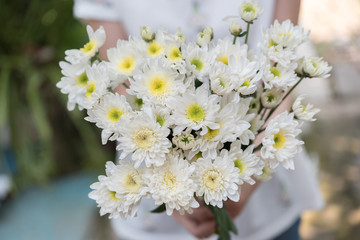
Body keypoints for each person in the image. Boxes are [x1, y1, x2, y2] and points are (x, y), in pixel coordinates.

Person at [73, 0, 324, 239]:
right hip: (155, 167)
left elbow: (280, 72)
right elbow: (124, 83)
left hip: (263, 175)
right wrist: (173, 194)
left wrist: (257, 167)